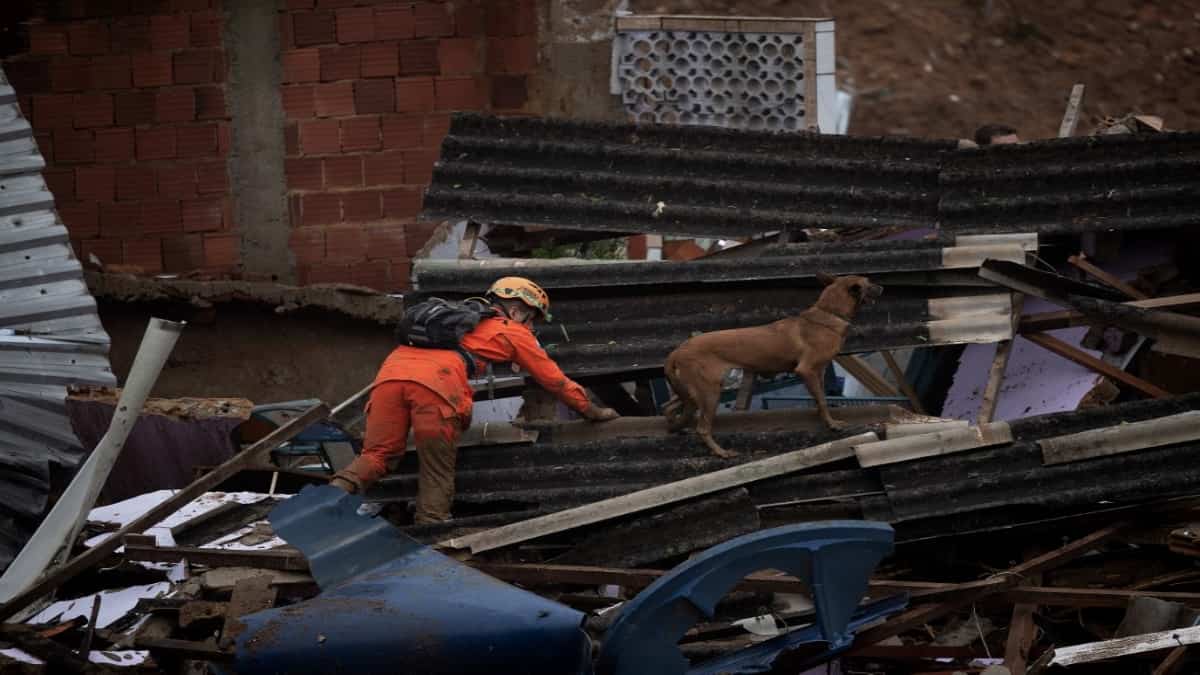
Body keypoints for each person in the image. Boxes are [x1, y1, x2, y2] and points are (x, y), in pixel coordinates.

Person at [330, 277, 619, 523]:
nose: (532, 328)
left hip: (390, 375)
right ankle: (432, 535)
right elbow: (554, 381)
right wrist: (591, 410)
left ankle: (323, 505)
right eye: (532, 319)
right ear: (518, 311)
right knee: (436, 469)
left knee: (376, 456)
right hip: (437, 385)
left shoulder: (457, 320)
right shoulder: (512, 331)